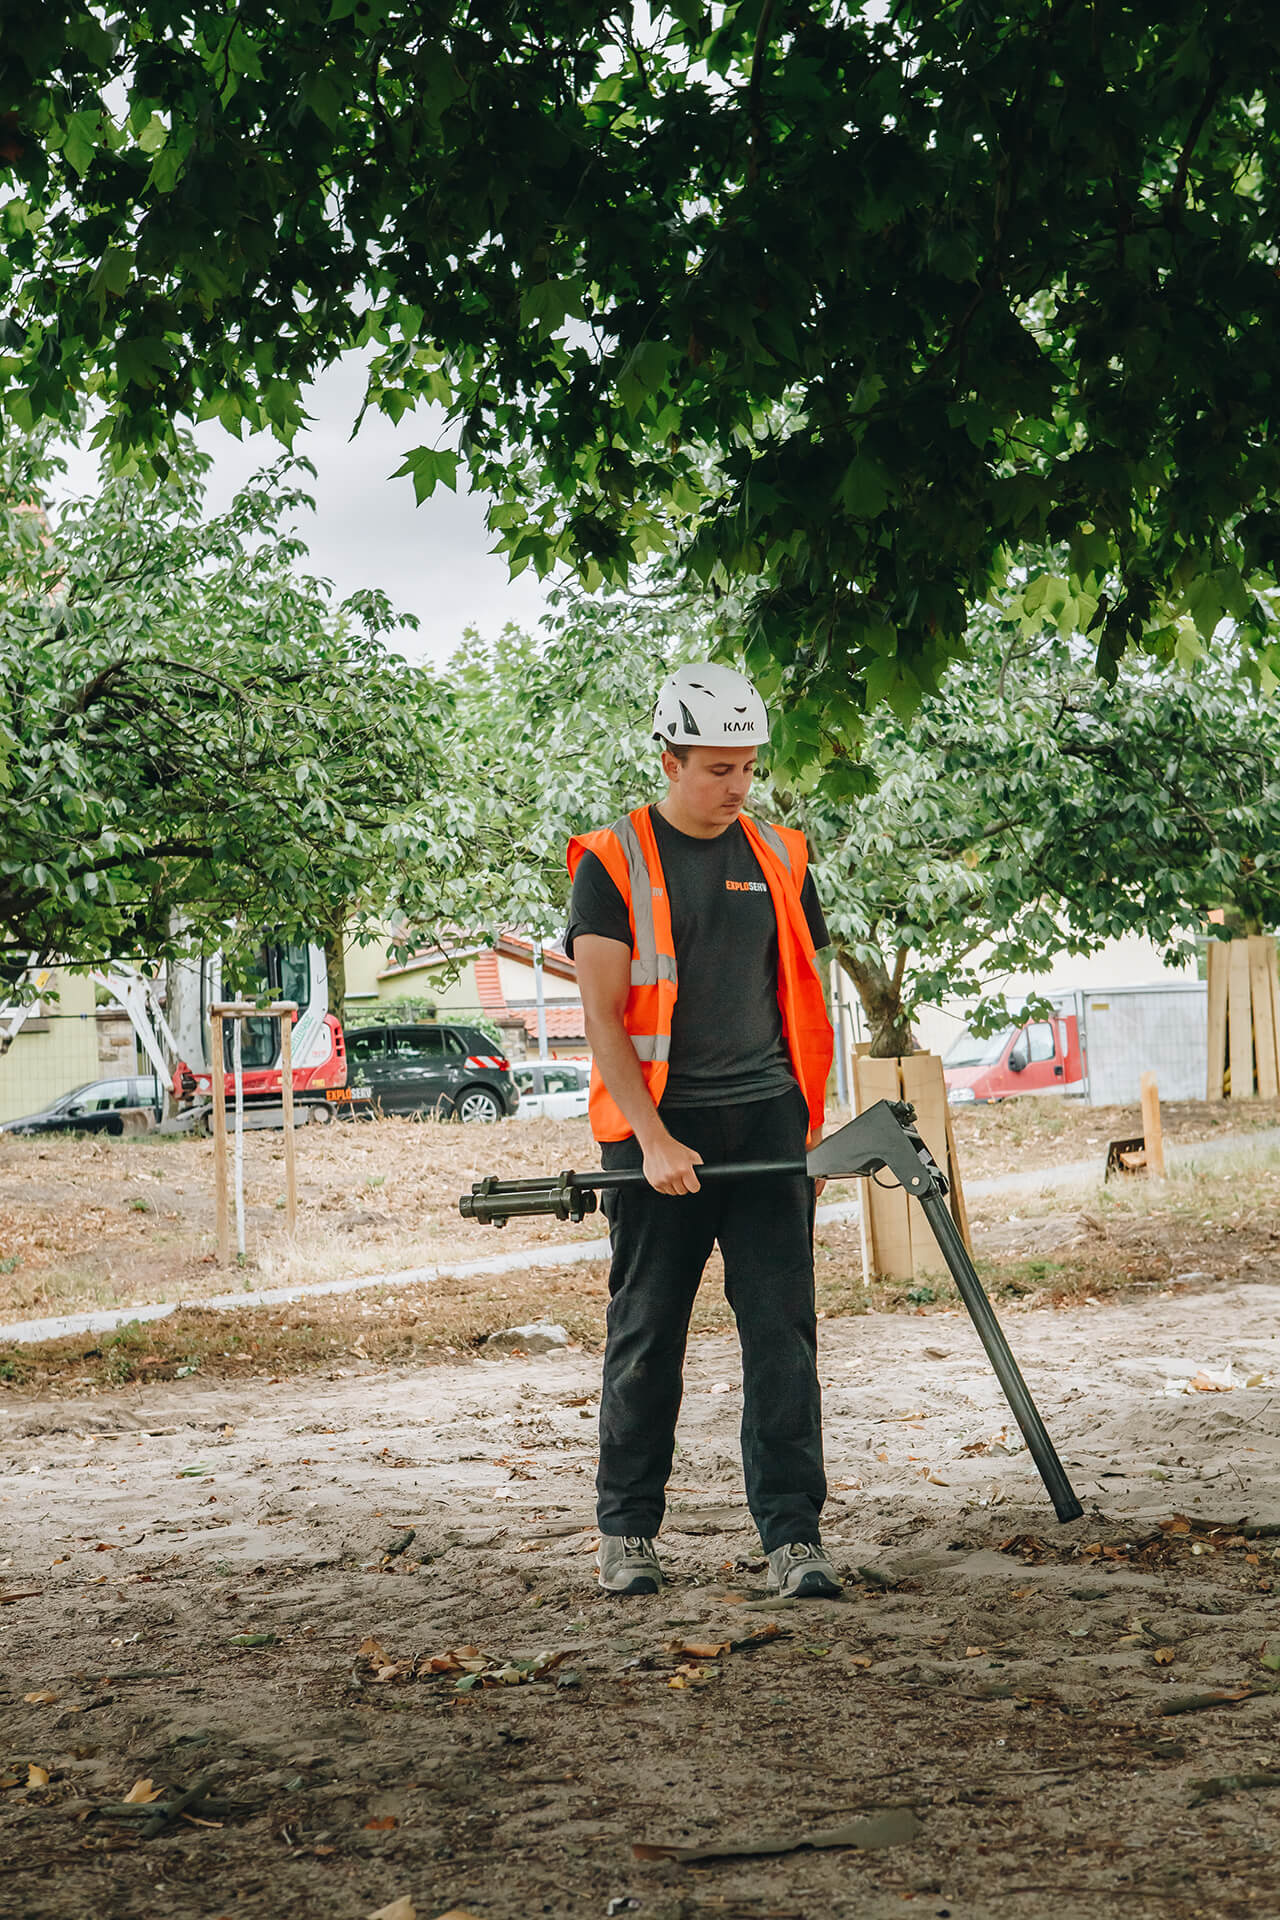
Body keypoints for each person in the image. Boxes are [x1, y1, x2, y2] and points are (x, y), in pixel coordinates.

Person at [564, 662, 840, 1599]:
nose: (736, 786)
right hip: (659, 1129)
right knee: (647, 1334)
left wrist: (810, 1129)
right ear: (671, 758)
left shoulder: (782, 858)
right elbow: (603, 1017)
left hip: (766, 1124)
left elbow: (803, 991)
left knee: (782, 1338)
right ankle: (629, 1534)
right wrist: (649, 1139)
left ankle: (794, 1538)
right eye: (718, 767)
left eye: (749, 768)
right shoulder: (615, 862)